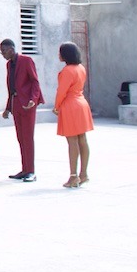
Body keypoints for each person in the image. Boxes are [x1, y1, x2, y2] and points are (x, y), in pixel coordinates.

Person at [0, 38, 42, 182]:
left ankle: (31, 171)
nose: (3, 54)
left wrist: (33, 100)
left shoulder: (26, 60)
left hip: (27, 104)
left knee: (28, 137)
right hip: (16, 103)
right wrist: (7, 107)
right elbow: (11, 87)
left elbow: (35, 81)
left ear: (11, 49)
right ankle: (25, 169)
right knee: (20, 138)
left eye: (4, 51)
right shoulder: (9, 65)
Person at [54, 42, 94, 188]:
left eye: (60, 52)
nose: (58, 55)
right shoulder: (81, 68)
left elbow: (61, 92)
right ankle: (83, 174)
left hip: (70, 106)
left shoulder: (67, 71)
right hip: (82, 104)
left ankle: (73, 176)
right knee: (82, 139)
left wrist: (56, 106)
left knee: (72, 142)